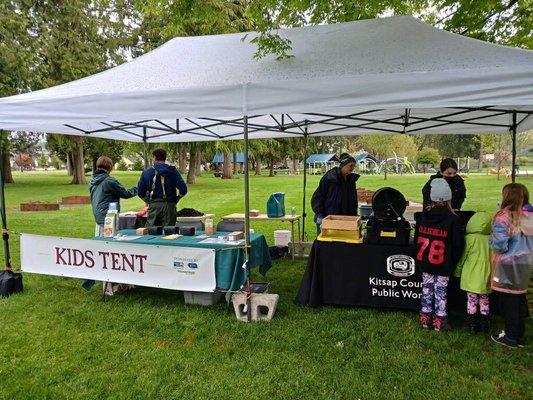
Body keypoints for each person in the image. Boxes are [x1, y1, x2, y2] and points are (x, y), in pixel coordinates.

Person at [415, 178, 464, 331]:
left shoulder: (423, 217)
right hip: (443, 264)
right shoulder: (453, 219)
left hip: (426, 262)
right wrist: (452, 260)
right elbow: (458, 245)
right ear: (449, 198)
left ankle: (425, 317)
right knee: (441, 292)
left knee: (427, 290)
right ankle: (439, 321)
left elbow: (417, 240)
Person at [489, 183, 532, 348]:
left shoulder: (504, 218)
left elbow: (500, 244)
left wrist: (492, 242)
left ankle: (511, 336)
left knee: (510, 300)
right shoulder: (529, 216)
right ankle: (519, 334)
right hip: (526, 262)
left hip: (509, 264)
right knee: (520, 297)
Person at [87, 155, 137, 292]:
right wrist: (139, 187)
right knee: (112, 252)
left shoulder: (92, 180)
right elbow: (126, 193)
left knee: (102, 251)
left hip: (98, 219)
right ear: (110, 167)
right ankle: (113, 283)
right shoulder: (109, 181)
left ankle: (111, 283)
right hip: (109, 220)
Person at [454, 212, 492, 333]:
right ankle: (484, 324)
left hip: (471, 275)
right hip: (487, 274)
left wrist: (457, 272)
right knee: (484, 299)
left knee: (471, 300)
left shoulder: (469, 239)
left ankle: (472, 324)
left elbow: (463, 257)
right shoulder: (492, 240)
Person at [137, 148, 188, 227]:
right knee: (169, 234)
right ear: (165, 158)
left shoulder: (147, 172)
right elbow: (183, 189)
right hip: (169, 205)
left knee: (151, 232)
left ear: (154, 157)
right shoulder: (173, 171)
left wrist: (148, 201)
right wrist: (177, 198)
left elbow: (140, 192)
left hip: (154, 206)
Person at [311, 153, 359, 232]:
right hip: (328, 217)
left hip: (345, 219)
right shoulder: (330, 177)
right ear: (343, 165)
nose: (353, 168)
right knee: (326, 243)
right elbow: (318, 196)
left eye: (354, 166)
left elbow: (353, 200)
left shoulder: (351, 180)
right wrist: (320, 214)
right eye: (350, 166)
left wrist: (353, 216)